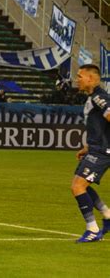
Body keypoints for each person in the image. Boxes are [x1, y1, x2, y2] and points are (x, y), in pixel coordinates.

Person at [71, 64, 110, 243]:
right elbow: (101, 126)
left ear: (91, 79)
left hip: (103, 152)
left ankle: (92, 229)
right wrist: (88, 146)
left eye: (80, 76)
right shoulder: (92, 98)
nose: (77, 79)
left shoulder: (100, 97)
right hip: (96, 148)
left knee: (78, 186)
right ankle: (107, 214)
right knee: (81, 185)